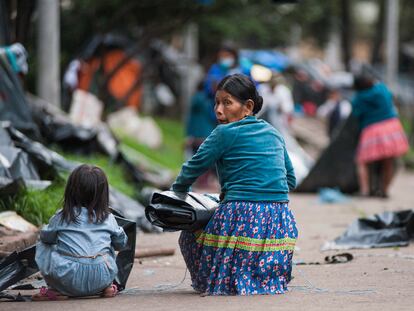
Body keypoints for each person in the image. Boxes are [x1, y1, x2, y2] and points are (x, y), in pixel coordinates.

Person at [172, 74, 298, 295]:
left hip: (241, 213)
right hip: (281, 222)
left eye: (227, 102)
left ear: (248, 107)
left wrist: (177, 194)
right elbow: (291, 181)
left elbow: (192, 169)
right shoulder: (274, 133)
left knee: (189, 234)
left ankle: (210, 280)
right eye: (217, 103)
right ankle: (264, 280)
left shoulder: (223, 133)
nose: (219, 110)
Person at [32, 164, 128, 300]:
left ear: (71, 191)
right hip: (101, 277)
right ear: (103, 193)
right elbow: (121, 244)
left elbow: (46, 237)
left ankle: (56, 289)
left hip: (67, 279)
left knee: (43, 242)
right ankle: (107, 287)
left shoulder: (62, 216)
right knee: (109, 244)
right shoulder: (108, 217)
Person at [352, 75, 409, 198]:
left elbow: (356, 114)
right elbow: (390, 98)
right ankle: (384, 190)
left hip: (372, 129)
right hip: (391, 126)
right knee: (388, 161)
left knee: (362, 161)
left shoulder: (358, 98)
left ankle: (365, 191)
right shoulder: (381, 89)